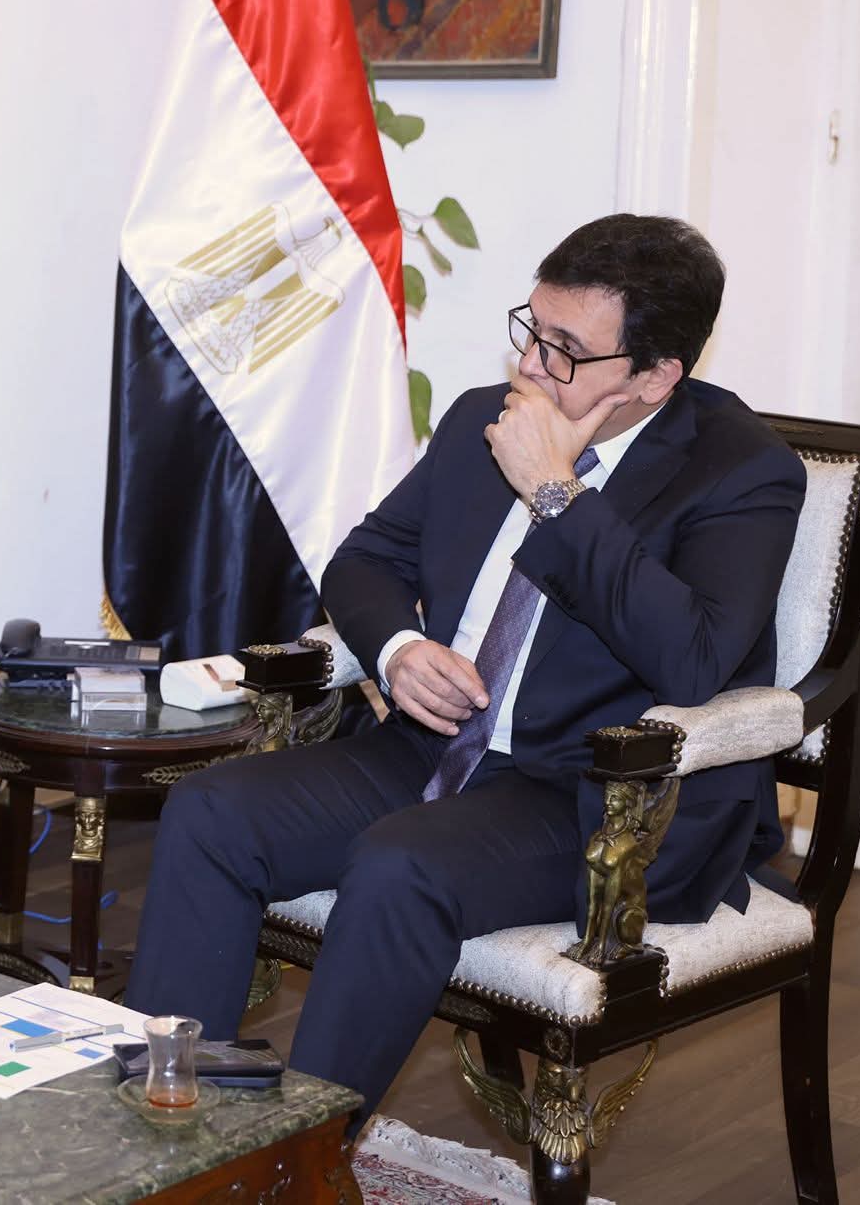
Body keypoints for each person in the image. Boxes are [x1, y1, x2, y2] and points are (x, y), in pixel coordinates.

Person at [125, 214, 805, 1120]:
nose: (531, 365)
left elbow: (694, 661)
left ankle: (301, 1158)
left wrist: (557, 493)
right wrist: (399, 651)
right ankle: (166, 1118)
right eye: (532, 328)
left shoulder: (742, 472)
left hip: (594, 794)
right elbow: (366, 561)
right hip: (436, 745)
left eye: (567, 351)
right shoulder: (481, 419)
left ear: (655, 377)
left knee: (399, 866)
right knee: (211, 812)